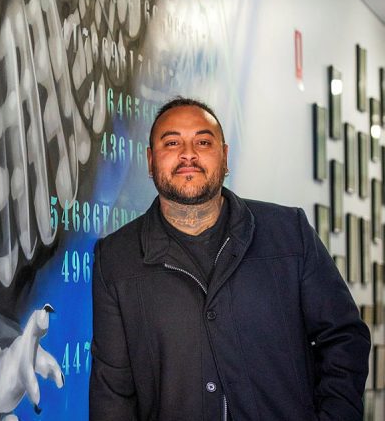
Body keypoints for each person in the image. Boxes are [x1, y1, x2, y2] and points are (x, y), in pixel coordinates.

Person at [89, 97, 370, 420]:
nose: (188, 154)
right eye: (172, 142)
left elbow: (344, 338)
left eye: (203, 142)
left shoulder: (289, 233)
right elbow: (113, 390)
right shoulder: (116, 258)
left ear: (224, 157)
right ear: (151, 161)